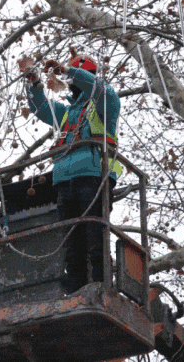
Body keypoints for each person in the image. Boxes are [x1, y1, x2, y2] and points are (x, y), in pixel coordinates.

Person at [26, 54, 122, 294]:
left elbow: (100, 89)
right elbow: (41, 108)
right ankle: (76, 288)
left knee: (95, 235)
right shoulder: (68, 113)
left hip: (94, 175)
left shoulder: (105, 103)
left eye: (78, 78)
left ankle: (101, 285)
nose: (73, 84)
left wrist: (68, 70)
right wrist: (33, 84)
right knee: (72, 241)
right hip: (64, 179)